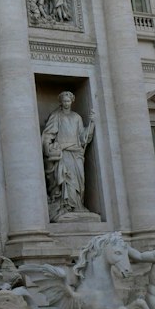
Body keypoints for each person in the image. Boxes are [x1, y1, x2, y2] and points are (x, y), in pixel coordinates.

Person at [41, 92, 96, 220]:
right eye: (64, 101)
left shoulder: (77, 117)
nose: (66, 103)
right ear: (61, 102)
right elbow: (48, 134)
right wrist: (48, 148)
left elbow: (83, 137)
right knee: (67, 180)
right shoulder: (56, 116)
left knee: (79, 182)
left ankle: (78, 205)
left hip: (76, 153)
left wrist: (92, 124)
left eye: (68, 101)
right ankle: (66, 206)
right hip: (64, 152)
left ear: (72, 101)